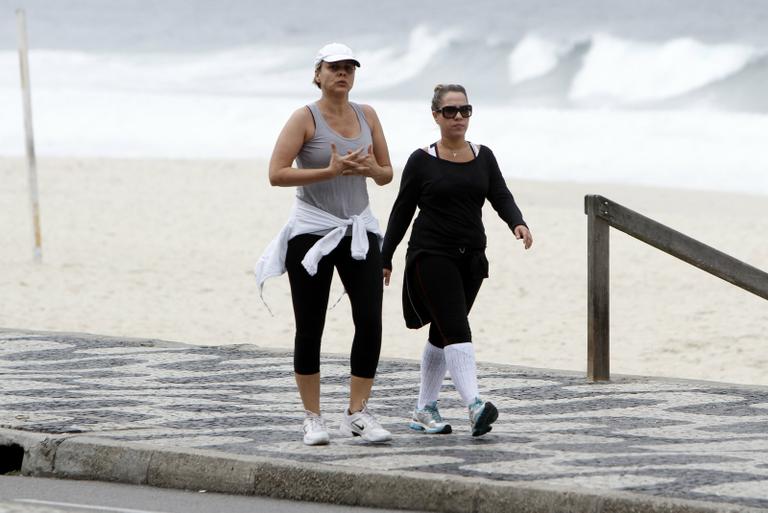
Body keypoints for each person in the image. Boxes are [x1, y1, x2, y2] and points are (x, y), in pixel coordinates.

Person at [255, 43, 394, 445]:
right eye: (334, 67)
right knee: (310, 325)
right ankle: (312, 417)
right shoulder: (304, 118)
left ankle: (357, 413)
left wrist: (371, 169)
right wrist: (327, 171)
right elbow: (276, 174)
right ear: (318, 74)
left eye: (349, 67)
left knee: (369, 320)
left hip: (359, 231)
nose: (343, 73)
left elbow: (386, 174)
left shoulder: (368, 115)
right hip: (312, 231)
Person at [381, 84, 533, 437]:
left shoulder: (484, 155)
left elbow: (500, 194)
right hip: (431, 255)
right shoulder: (421, 160)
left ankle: (424, 408)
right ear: (435, 115)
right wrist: (385, 255)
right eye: (450, 111)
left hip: (472, 259)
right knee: (457, 329)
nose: (458, 117)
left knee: (443, 331)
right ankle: (475, 404)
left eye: (464, 110)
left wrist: (518, 222)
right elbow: (402, 210)